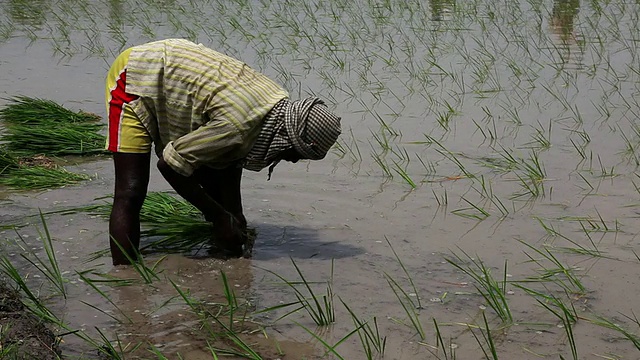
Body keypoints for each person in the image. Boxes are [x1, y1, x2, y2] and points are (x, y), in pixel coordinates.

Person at [105, 39, 341, 266]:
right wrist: (219, 217)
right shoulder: (238, 126)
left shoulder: (272, 109)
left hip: (176, 73)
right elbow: (170, 164)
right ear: (289, 137)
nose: (292, 160)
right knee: (131, 191)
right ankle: (126, 282)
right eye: (296, 153)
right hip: (136, 75)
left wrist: (234, 215)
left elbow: (230, 158)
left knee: (217, 190)